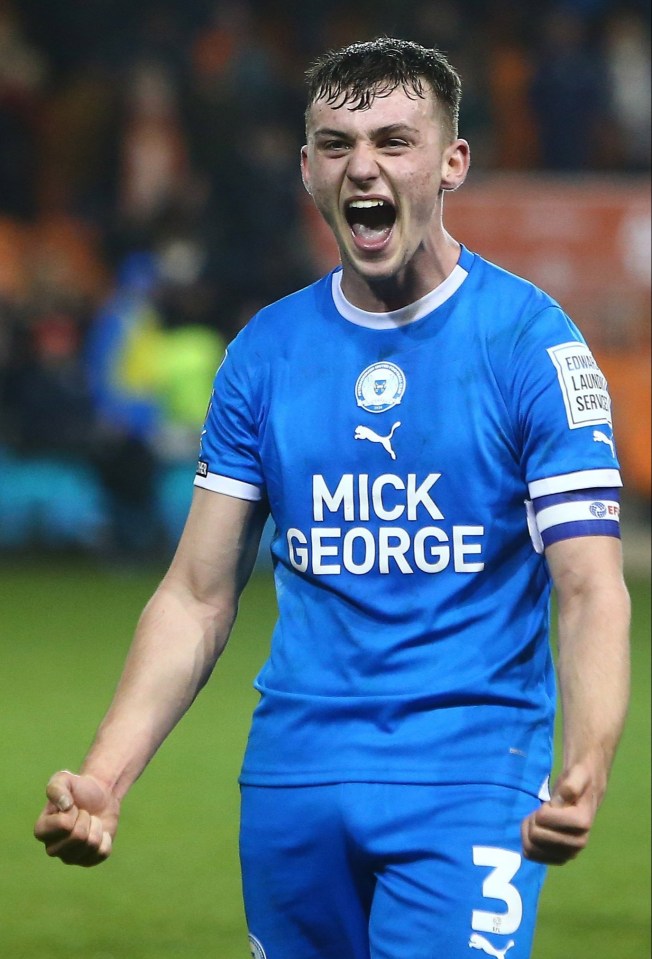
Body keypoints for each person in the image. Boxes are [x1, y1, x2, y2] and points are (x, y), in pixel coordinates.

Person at [34, 37, 631, 959]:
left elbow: (590, 585)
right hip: (292, 783)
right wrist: (107, 775)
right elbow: (196, 595)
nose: (365, 166)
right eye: (337, 142)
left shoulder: (532, 346)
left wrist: (585, 765)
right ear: (307, 167)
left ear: (452, 162)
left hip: (470, 776)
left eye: (395, 140)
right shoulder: (265, 353)